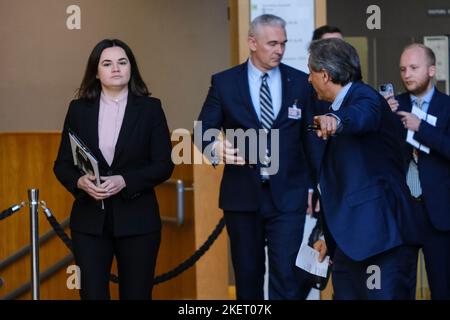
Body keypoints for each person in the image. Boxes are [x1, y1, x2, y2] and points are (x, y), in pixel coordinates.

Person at [196, 14, 314, 299]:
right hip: (242, 196)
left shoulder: (300, 82)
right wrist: (215, 147)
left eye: (283, 44)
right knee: (248, 278)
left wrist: (314, 186)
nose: (280, 50)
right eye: (272, 43)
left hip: (288, 196)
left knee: (287, 276)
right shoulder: (224, 83)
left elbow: (311, 140)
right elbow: (203, 130)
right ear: (252, 42)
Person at [53, 39, 174, 300]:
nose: (116, 68)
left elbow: (164, 165)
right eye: (107, 63)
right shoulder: (78, 110)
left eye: (122, 62)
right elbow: (62, 164)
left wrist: (125, 180)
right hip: (90, 223)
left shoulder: (151, 109)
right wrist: (79, 182)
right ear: (96, 72)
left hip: (138, 222)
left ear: (131, 68)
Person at [307, 38, 415, 299]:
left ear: (325, 75)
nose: (308, 79)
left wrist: (335, 120)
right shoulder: (337, 104)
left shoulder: (365, 97)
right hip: (349, 243)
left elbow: (361, 116)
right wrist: (327, 236)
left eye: (310, 72)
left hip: (381, 241)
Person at [385, 44, 450, 299]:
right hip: (403, 211)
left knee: (443, 289)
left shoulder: (447, 107)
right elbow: (381, 153)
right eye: (403, 69)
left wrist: (421, 128)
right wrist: (384, 118)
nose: (407, 74)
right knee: (399, 288)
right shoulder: (393, 105)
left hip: (440, 213)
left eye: (414, 68)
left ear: (431, 70)